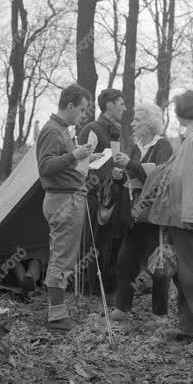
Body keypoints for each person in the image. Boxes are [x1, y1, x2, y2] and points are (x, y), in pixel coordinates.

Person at [146, 90, 193, 349]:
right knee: (182, 274)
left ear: (181, 113)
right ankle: (188, 326)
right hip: (181, 216)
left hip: (187, 217)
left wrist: (188, 215)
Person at [37, 83, 94, 331]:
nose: (83, 116)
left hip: (68, 198)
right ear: (69, 105)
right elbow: (46, 167)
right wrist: (75, 156)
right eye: (81, 110)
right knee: (61, 258)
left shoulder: (61, 130)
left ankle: (58, 313)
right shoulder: (52, 130)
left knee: (64, 257)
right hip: (62, 200)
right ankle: (56, 317)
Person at [111, 102, 174, 323]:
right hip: (134, 214)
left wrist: (131, 164)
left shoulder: (163, 145)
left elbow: (162, 179)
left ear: (149, 123)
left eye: (137, 119)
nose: (132, 123)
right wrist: (119, 175)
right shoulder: (135, 145)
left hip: (154, 215)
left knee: (158, 265)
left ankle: (160, 314)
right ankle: (121, 308)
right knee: (125, 260)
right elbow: (131, 172)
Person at [77, 88, 126, 296]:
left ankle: (106, 286)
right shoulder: (92, 129)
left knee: (110, 242)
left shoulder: (115, 131)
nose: (125, 108)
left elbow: (114, 162)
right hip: (93, 197)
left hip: (112, 198)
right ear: (109, 106)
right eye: (121, 103)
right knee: (93, 244)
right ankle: (90, 288)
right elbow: (81, 165)